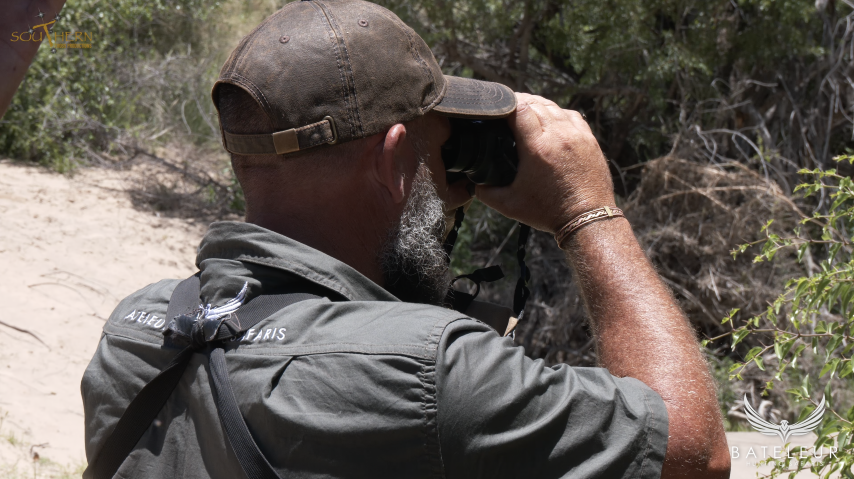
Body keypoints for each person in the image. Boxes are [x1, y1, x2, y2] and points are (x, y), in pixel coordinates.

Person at [80, 0, 730, 477]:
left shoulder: (138, 330)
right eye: (442, 157)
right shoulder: (430, 370)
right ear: (394, 164)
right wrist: (586, 212)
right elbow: (696, 452)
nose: (452, 186)